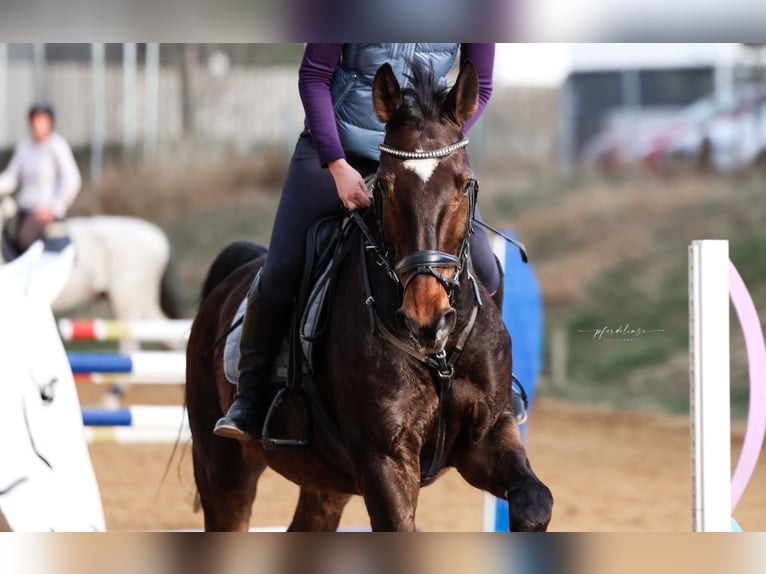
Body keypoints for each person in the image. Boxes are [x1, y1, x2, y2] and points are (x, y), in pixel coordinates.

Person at [215, 43, 527, 442]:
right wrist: (336, 164)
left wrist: (434, 142)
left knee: (485, 269)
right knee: (281, 272)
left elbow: (479, 85)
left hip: (419, 157)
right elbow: (313, 77)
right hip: (337, 151)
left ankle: (496, 388)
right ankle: (250, 397)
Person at [0, 101, 82, 253]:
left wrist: (54, 207)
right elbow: (11, 178)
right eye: (34, 120)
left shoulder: (57, 145)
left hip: (44, 210)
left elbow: (72, 180)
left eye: (42, 120)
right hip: (23, 207)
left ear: (50, 122)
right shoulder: (24, 146)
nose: (37, 124)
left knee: (25, 236)